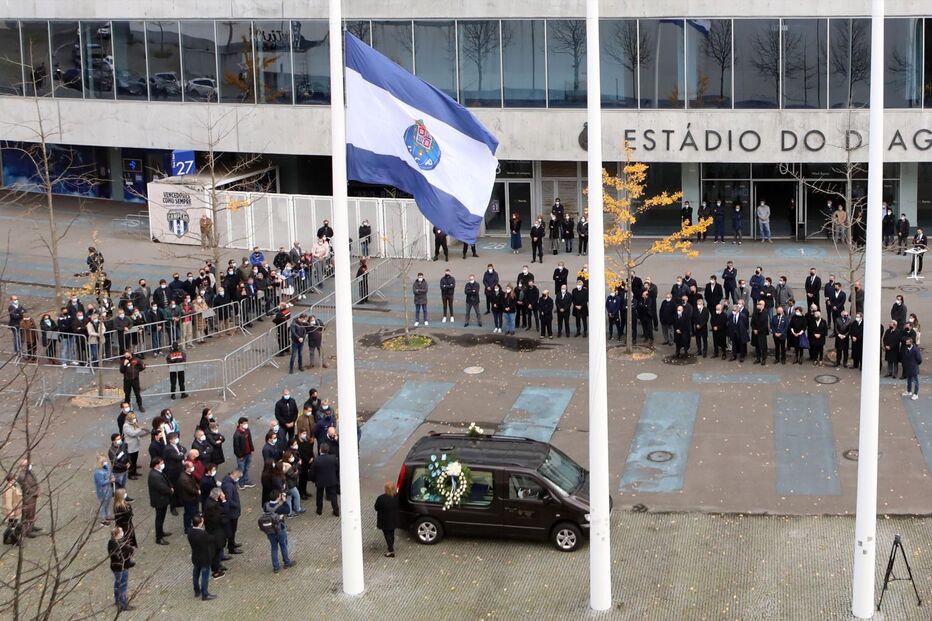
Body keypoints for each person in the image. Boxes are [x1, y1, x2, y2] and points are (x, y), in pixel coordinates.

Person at [262, 491, 296, 573]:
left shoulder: (266, 505)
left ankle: (276, 567)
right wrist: (284, 501)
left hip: (270, 530)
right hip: (280, 529)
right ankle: (287, 562)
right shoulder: (279, 507)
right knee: (283, 545)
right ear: (278, 497)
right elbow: (288, 510)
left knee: (274, 548)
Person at [188, 515, 217, 601]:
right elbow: (211, 538)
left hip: (195, 557)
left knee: (195, 574)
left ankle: (197, 590)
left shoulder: (190, 532)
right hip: (204, 558)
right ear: (200, 524)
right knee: (204, 576)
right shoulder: (202, 534)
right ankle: (205, 594)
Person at [108, 526, 135, 612]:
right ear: (117, 535)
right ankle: (123, 604)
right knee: (123, 586)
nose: (123, 533)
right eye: (121, 531)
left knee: (117, 584)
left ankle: (117, 601)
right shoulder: (117, 545)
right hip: (121, 568)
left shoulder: (112, 542)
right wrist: (129, 550)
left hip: (116, 567)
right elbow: (121, 557)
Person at [220, 470, 244, 555]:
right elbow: (228, 499)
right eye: (238, 477)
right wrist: (236, 505)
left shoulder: (227, 481)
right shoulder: (229, 486)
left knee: (232, 530)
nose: (238, 479)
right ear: (234, 475)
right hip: (232, 513)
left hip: (232, 512)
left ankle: (232, 543)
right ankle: (231, 547)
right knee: (232, 530)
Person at [374, 482, 401, 558]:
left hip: (384, 519)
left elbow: (376, 507)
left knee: (386, 534)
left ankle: (391, 550)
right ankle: (391, 545)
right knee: (392, 532)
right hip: (394, 518)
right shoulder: (397, 496)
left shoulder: (381, 498)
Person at [314, 443, 340, 516]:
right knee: (333, 495)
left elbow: (313, 471)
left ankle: (319, 510)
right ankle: (336, 510)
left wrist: (314, 479)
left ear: (320, 450)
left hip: (320, 480)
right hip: (331, 479)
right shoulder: (333, 458)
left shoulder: (317, 460)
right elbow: (337, 468)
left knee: (319, 495)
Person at [233, 418, 255, 490]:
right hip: (242, 456)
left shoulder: (247, 430)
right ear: (240, 424)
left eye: (246, 423)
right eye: (244, 423)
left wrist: (251, 449)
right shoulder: (237, 435)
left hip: (248, 453)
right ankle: (240, 483)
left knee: (246, 468)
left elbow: (250, 440)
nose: (246, 425)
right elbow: (236, 447)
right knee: (241, 470)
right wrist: (240, 456)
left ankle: (246, 481)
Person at [94, 455, 115, 526]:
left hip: (108, 491)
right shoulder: (98, 473)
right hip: (102, 492)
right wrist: (110, 480)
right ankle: (103, 520)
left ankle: (108, 516)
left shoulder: (106, 468)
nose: (106, 462)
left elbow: (110, 473)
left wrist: (112, 476)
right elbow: (101, 483)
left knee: (108, 504)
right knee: (103, 506)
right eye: (104, 461)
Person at [750, 301, 769, 365]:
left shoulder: (765, 313)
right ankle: (758, 358)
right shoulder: (755, 312)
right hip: (755, 332)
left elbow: (765, 325)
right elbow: (752, 322)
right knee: (757, 346)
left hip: (762, 333)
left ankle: (763, 359)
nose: (758, 307)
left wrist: (758, 331)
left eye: (760, 305)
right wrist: (754, 329)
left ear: (763, 306)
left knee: (763, 346)